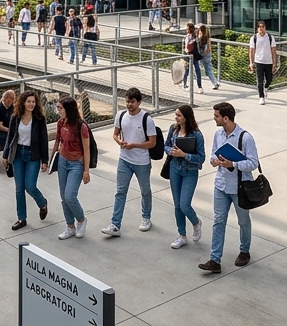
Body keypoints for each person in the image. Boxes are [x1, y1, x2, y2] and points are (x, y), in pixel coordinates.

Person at [198, 102, 258, 274]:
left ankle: (244, 251)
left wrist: (233, 163)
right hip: (221, 185)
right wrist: (215, 161)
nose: (214, 118)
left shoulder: (245, 138)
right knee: (218, 222)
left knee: (243, 221)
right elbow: (212, 156)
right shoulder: (218, 134)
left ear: (226, 118)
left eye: (216, 116)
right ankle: (215, 259)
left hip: (240, 188)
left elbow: (253, 163)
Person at [101, 87, 157, 238]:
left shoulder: (147, 119)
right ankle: (115, 224)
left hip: (142, 162)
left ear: (139, 102)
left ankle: (146, 217)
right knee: (120, 191)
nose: (129, 104)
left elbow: (152, 143)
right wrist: (119, 141)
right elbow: (115, 134)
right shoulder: (121, 115)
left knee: (145, 191)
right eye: (127, 101)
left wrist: (134, 145)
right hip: (124, 159)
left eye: (132, 102)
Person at [5, 90, 49, 231]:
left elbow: (44, 140)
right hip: (18, 154)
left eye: (33, 102)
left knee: (30, 186)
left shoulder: (39, 119)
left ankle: (42, 203)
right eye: (28, 101)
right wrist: (5, 155)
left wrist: (45, 160)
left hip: (33, 156)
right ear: (23, 102)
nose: (31, 104)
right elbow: (10, 138)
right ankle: (21, 218)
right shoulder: (15, 117)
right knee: (19, 188)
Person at [165, 104, 205, 249]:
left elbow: (201, 158)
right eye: (176, 115)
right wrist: (171, 151)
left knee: (184, 204)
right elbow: (166, 145)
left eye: (179, 115)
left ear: (186, 118)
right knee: (177, 205)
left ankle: (196, 222)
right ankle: (181, 235)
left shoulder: (196, 135)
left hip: (190, 172)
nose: (176, 118)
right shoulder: (173, 129)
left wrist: (184, 155)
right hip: (175, 169)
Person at [51, 96, 92, 240]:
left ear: (68, 109)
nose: (58, 110)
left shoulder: (81, 126)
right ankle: (70, 226)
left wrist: (86, 170)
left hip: (77, 163)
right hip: (62, 160)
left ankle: (81, 220)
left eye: (60, 108)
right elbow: (58, 141)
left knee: (70, 196)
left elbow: (87, 150)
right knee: (63, 197)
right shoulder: (60, 123)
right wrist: (51, 161)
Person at [249, 21, 277, 105]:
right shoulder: (254, 38)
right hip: (259, 61)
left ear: (265, 28)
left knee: (269, 79)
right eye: (259, 27)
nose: (261, 28)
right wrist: (251, 62)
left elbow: (273, 50)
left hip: (269, 61)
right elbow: (251, 51)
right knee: (260, 80)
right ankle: (261, 96)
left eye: (263, 27)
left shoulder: (270, 37)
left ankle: (266, 87)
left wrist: (274, 63)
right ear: (257, 28)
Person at [198, 24, 219, 90]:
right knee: (209, 70)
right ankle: (214, 83)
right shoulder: (207, 38)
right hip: (207, 56)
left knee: (199, 69)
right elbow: (209, 49)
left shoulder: (199, 37)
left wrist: (201, 54)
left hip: (200, 55)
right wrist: (205, 53)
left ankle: (214, 83)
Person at [183, 23, 201, 90]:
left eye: (187, 28)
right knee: (197, 70)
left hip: (189, 55)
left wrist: (186, 52)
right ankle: (199, 86)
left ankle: (184, 84)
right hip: (194, 55)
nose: (186, 29)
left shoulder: (188, 36)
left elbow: (186, 46)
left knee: (187, 70)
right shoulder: (195, 36)